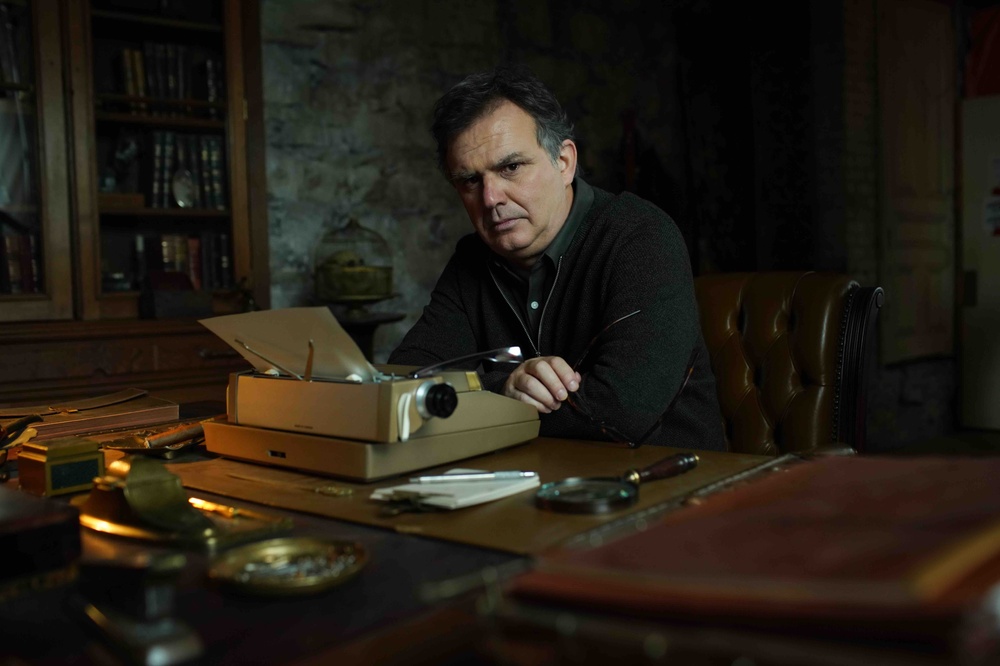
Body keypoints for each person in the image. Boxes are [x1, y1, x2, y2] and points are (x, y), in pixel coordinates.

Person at [389, 64, 725, 451]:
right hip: (530, 478)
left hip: (670, 476)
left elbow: (619, 414)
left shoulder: (640, 237)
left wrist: (484, 403)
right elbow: (403, 384)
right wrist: (504, 387)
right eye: (470, 180)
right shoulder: (472, 258)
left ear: (564, 162)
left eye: (511, 167)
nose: (491, 198)